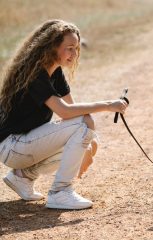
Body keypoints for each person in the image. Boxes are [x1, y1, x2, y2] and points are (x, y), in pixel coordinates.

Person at [0, 19, 128, 210]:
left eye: (76, 48)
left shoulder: (55, 72)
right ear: (51, 47)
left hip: (23, 144)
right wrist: (109, 105)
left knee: (87, 133)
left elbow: (74, 113)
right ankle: (60, 192)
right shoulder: (35, 74)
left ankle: (22, 177)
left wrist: (89, 145)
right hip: (11, 146)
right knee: (83, 127)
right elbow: (65, 112)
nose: (74, 53)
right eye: (69, 48)